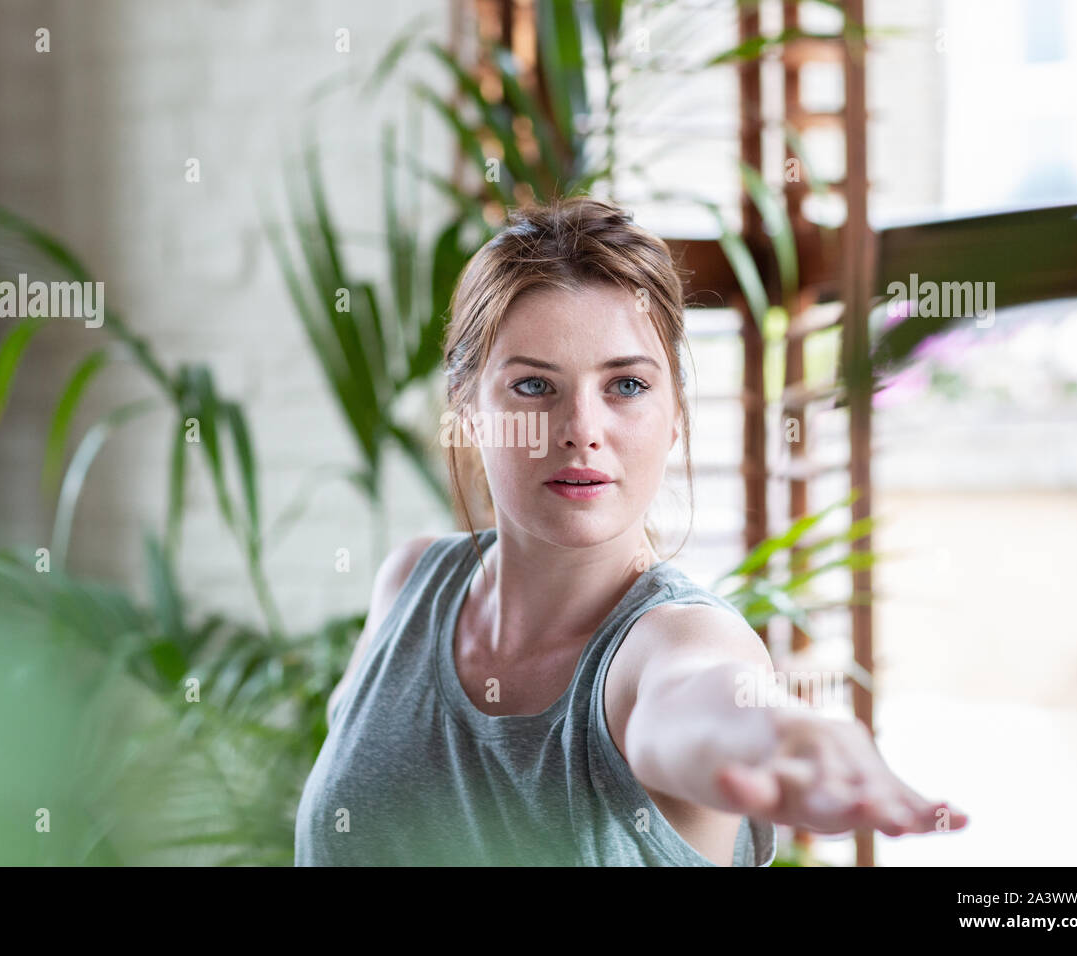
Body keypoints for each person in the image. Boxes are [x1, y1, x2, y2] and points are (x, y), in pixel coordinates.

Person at [293, 195, 967, 866]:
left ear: (675, 411)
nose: (582, 428)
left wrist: (773, 732)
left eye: (626, 386)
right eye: (533, 386)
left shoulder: (674, 642)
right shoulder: (410, 582)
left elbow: (695, 698)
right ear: (467, 409)